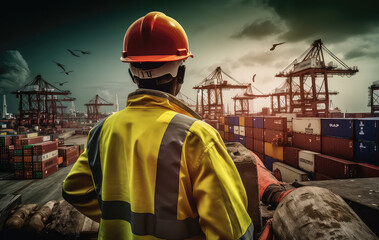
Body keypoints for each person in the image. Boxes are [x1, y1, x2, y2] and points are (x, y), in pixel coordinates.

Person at [62, 11, 253, 240]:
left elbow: (73, 189)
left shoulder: (101, 131)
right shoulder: (197, 137)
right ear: (180, 74)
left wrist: (121, 222)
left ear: (132, 75)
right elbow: (232, 232)